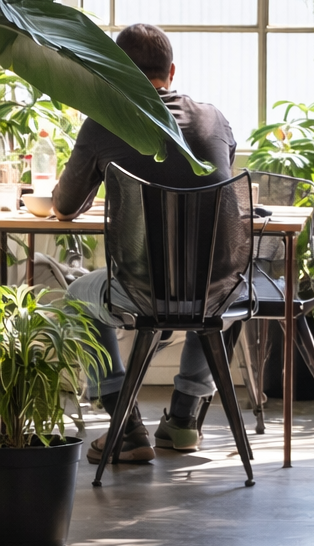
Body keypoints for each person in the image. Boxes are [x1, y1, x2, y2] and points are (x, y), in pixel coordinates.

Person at [52, 24, 237, 465]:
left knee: (76, 296)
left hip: (143, 290)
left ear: (116, 73)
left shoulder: (104, 123)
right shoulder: (215, 117)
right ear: (171, 72)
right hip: (216, 288)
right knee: (222, 285)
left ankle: (126, 427)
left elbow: (63, 207)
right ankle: (184, 420)